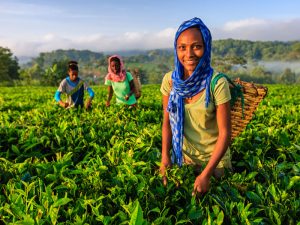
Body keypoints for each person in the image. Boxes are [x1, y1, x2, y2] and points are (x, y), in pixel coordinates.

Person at [160, 17, 232, 196]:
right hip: (185, 159)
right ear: (176, 50)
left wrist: (206, 174)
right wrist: (165, 158)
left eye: (196, 46)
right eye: (182, 47)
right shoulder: (170, 81)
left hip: (215, 162)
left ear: (206, 48)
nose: (189, 54)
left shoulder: (217, 83)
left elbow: (225, 133)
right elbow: (167, 123)